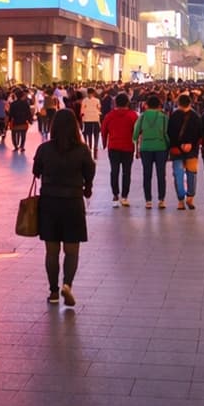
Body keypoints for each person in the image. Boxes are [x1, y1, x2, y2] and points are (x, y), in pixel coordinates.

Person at [31, 108, 94, 307]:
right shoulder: (82, 150)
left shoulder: (45, 149)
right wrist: (87, 188)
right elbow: (89, 173)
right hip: (73, 202)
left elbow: (36, 171)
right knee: (71, 250)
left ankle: (53, 291)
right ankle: (67, 284)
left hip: (49, 202)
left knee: (51, 251)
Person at [100, 92, 138, 206]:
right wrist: (137, 145)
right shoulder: (133, 115)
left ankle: (115, 195)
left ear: (115, 102)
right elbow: (137, 132)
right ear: (128, 102)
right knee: (127, 172)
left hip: (113, 147)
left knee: (114, 171)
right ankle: (125, 197)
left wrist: (104, 144)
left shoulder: (109, 116)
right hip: (128, 147)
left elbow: (103, 130)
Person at [132, 94, 168, 209]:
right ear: (159, 105)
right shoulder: (164, 117)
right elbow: (166, 134)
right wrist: (168, 145)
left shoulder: (142, 117)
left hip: (146, 147)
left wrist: (136, 145)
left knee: (147, 174)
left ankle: (148, 201)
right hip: (161, 147)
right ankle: (161, 200)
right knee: (161, 174)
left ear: (146, 105)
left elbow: (135, 133)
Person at [167, 93, 202, 210]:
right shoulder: (196, 116)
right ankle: (190, 198)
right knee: (192, 173)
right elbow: (199, 134)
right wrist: (191, 144)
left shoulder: (174, 115)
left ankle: (180, 200)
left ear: (178, 103)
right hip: (192, 151)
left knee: (178, 175)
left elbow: (170, 133)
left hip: (177, 150)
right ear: (190, 103)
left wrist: (177, 145)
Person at [8, 88, 33, 153]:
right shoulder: (25, 103)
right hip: (23, 121)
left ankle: (15, 146)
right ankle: (22, 146)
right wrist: (30, 120)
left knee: (14, 134)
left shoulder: (13, 104)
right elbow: (28, 112)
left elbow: (11, 114)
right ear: (22, 96)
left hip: (15, 122)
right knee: (23, 135)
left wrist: (9, 121)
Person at [81, 88, 102, 159]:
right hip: (95, 118)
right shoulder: (97, 100)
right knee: (96, 134)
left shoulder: (84, 100)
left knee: (89, 134)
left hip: (87, 119)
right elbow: (99, 108)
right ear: (93, 93)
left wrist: (82, 117)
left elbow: (82, 110)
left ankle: (90, 148)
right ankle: (95, 148)